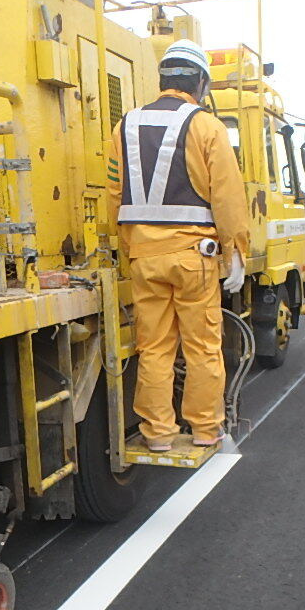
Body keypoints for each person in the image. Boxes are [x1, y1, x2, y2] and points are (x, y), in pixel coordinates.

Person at [106, 39, 250, 452]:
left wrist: (128, 244)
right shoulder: (207, 126)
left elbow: (114, 194)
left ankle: (157, 435)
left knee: (153, 348)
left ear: (165, 78)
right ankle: (205, 430)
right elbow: (226, 196)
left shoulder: (125, 126)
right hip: (193, 259)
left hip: (144, 259)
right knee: (203, 347)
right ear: (200, 82)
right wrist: (235, 250)